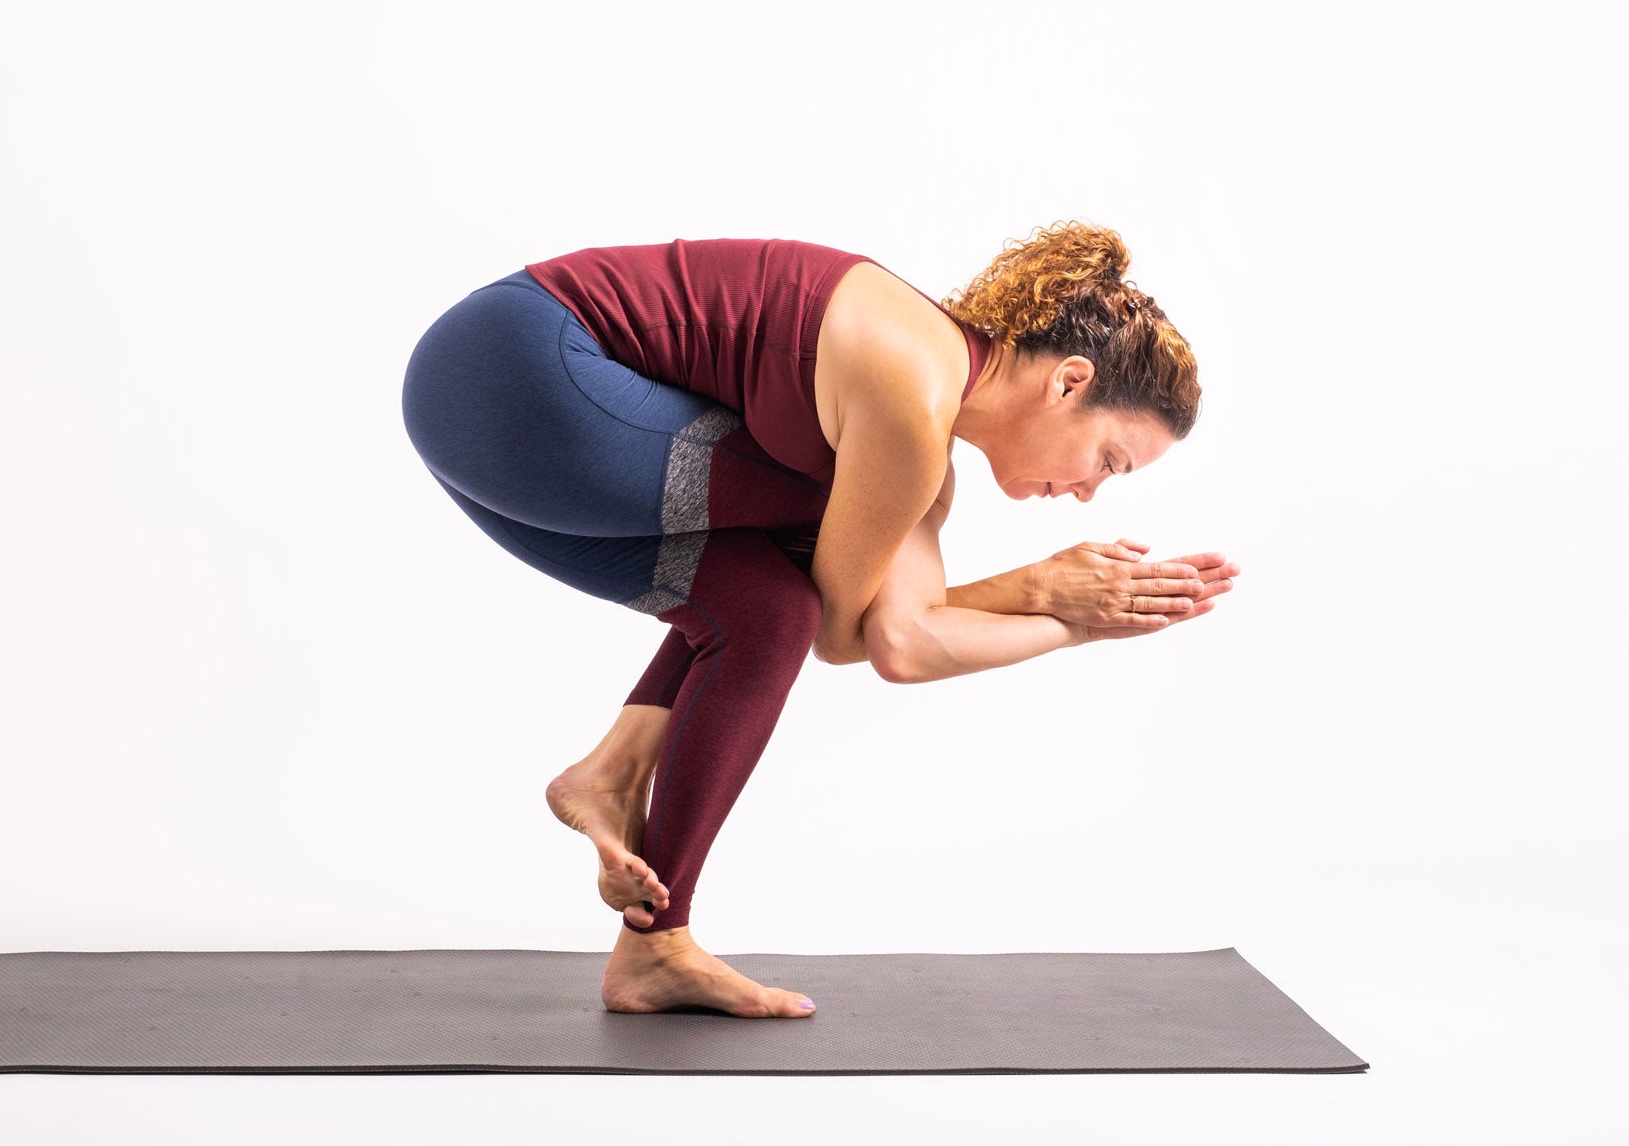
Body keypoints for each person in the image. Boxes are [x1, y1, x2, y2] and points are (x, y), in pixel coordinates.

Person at [398, 221, 1236, 1019]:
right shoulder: (911, 393)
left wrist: (1077, 618)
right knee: (820, 540)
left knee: (767, 612)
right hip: (513, 373)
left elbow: (895, 641)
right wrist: (1044, 593)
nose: (1089, 491)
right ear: (1069, 382)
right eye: (1108, 460)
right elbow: (858, 635)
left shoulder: (922, 443)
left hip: (502, 443)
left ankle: (650, 931)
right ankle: (617, 774)